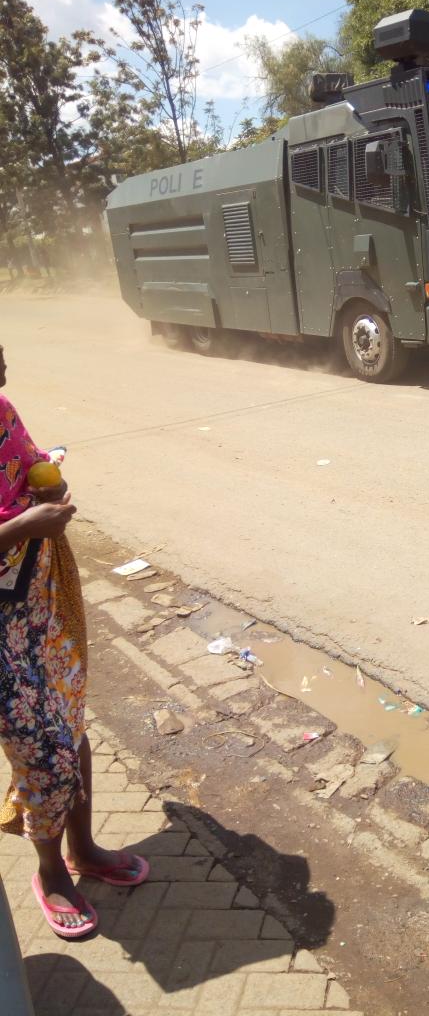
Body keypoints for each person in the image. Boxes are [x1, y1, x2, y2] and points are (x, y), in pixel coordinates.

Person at [0, 344, 148, 939]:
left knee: (69, 721)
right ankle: (50, 873)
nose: (4, 371)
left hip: (33, 591)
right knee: (44, 749)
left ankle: (83, 849)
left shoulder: (1, 410)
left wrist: (51, 492)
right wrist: (19, 526)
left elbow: (34, 465)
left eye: (3, 356)